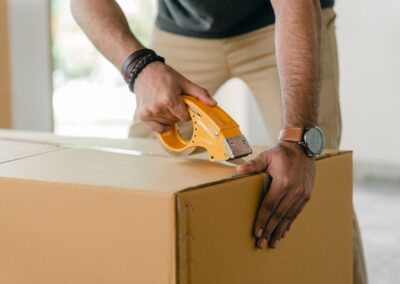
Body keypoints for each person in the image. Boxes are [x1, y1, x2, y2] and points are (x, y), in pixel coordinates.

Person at [71, 0, 367, 283]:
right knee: (148, 165)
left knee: (318, 176)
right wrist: (139, 66)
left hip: (278, 21)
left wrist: (298, 140)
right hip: (183, 27)